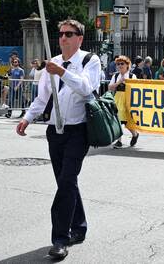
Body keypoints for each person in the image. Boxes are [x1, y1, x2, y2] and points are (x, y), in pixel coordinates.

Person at [16, 19, 101, 261]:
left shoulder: (89, 60)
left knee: (66, 182)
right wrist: (27, 118)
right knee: (67, 182)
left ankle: (60, 239)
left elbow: (87, 88)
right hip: (56, 131)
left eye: (69, 34)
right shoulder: (52, 62)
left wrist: (63, 72)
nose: (63, 37)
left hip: (79, 130)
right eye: (61, 33)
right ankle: (79, 226)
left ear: (79, 38)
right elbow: (42, 98)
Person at [109, 56, 139, 148]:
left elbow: (136, 89)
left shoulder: (132, 76)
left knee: (127, 122)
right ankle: (119, 141)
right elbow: (110, 87)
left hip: (128, 99)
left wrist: (127, 84)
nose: (120, 66)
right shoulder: (116, 75)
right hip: (118, 98)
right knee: (118, 120)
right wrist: (119, 82)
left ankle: (135, 134)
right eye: (118, 64)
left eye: (122, 64)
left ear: (127, 65)